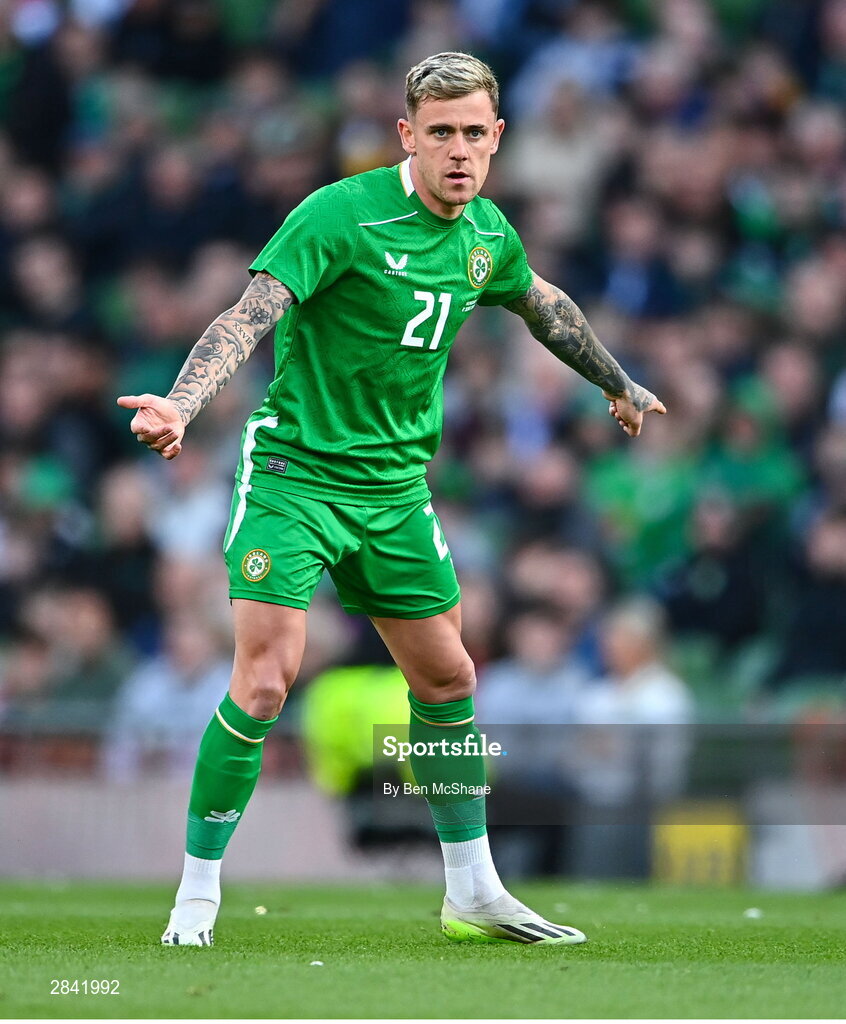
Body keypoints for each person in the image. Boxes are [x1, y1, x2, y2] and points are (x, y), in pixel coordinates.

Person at [118, 51, 666, 949]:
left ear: (498, 138)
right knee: (265, 680)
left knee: (449, 677)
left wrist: (618, 381)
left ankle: (473, 892)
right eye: (440, 132)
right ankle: (197, 896)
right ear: (407, 135)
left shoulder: (488, 233)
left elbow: (542, 303)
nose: (459, 150)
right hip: (296, 475)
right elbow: (248, 316)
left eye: (474, 133)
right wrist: (182, 403)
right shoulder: (340, 214)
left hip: (395, 491)